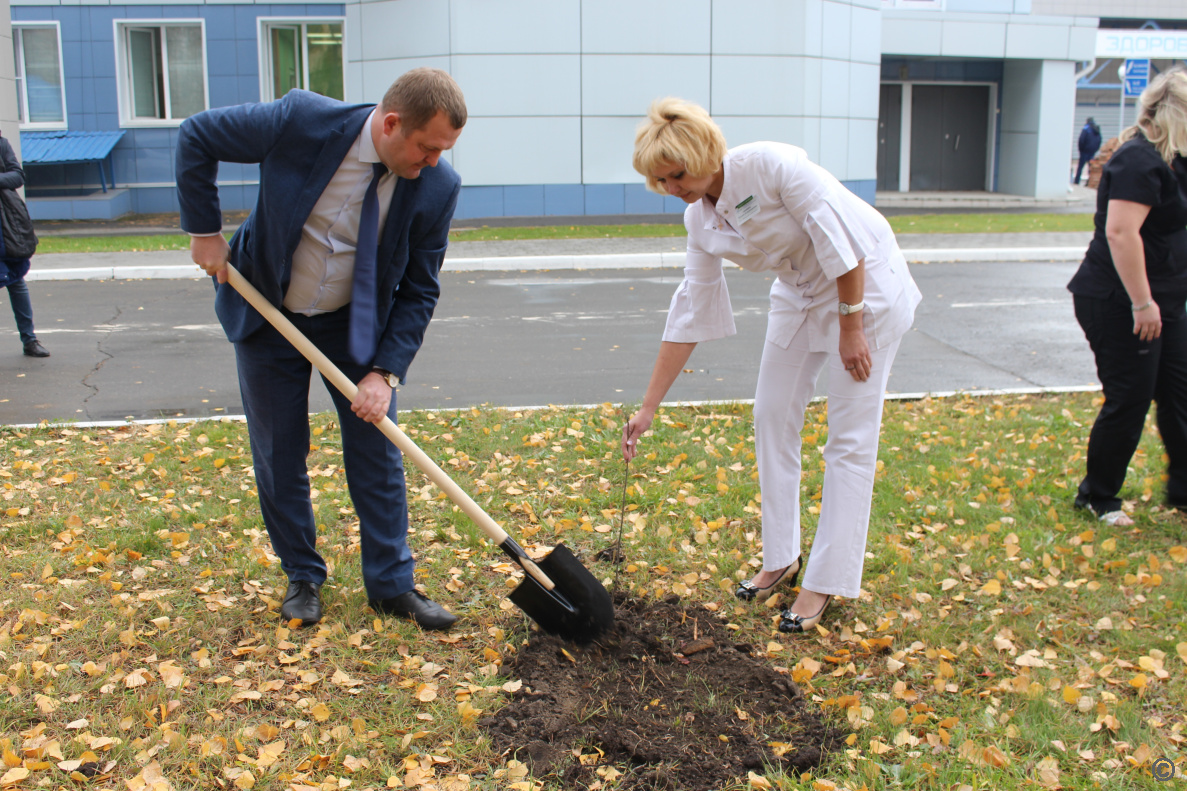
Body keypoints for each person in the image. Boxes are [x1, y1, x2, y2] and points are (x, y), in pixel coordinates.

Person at [177, 67, 466, 629]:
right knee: (280, 452)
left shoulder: (436, 187)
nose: (434, 161)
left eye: (444, 151)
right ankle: (303, 577)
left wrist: (385, 372)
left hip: (354, 325)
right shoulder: (300, 121)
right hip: (268, 311)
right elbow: (198, 135)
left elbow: (420, 286)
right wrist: (205, 230)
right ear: (390, 124)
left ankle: (391, 584)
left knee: (377, 450)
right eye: (428, 147)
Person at [621, 99, 921, 634]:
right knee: (771, 414)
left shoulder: (773, 166)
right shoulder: (698, 219)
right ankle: (781, 556)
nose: (672, 189)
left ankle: (825, 581)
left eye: (677, 174)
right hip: (801, 290)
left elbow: (844, 248)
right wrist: (648, 408)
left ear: (704, 153)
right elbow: (691, 307)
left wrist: (851, 328)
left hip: (864, 287)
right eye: (660, 181)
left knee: (848, 439)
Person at [1067, 69, 1187, 527]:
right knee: (1130, 397)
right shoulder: (1139, 159)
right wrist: (1142, 302)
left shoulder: (1174, 157)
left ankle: (1183, 489)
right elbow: (1120, 233)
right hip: (1120, 300)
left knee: (1179, 394)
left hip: (1167, 301)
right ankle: (1098, 496)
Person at [0, 131, 49, 358]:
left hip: (6, 224)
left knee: (16, 281)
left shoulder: (1, 143)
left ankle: (29, 340)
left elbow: (17, 176)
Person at [1075, 117, 1103, 186]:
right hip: (1092, 152)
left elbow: (1081, 140)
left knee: (1080, 168)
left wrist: (1081, 149)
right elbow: (1099, 140)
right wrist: (1095, 149)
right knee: (1091, 168)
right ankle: (1090, 182)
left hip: (1084, 152)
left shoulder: (1086, 129)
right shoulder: (1096, 129)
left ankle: (1076, 182)